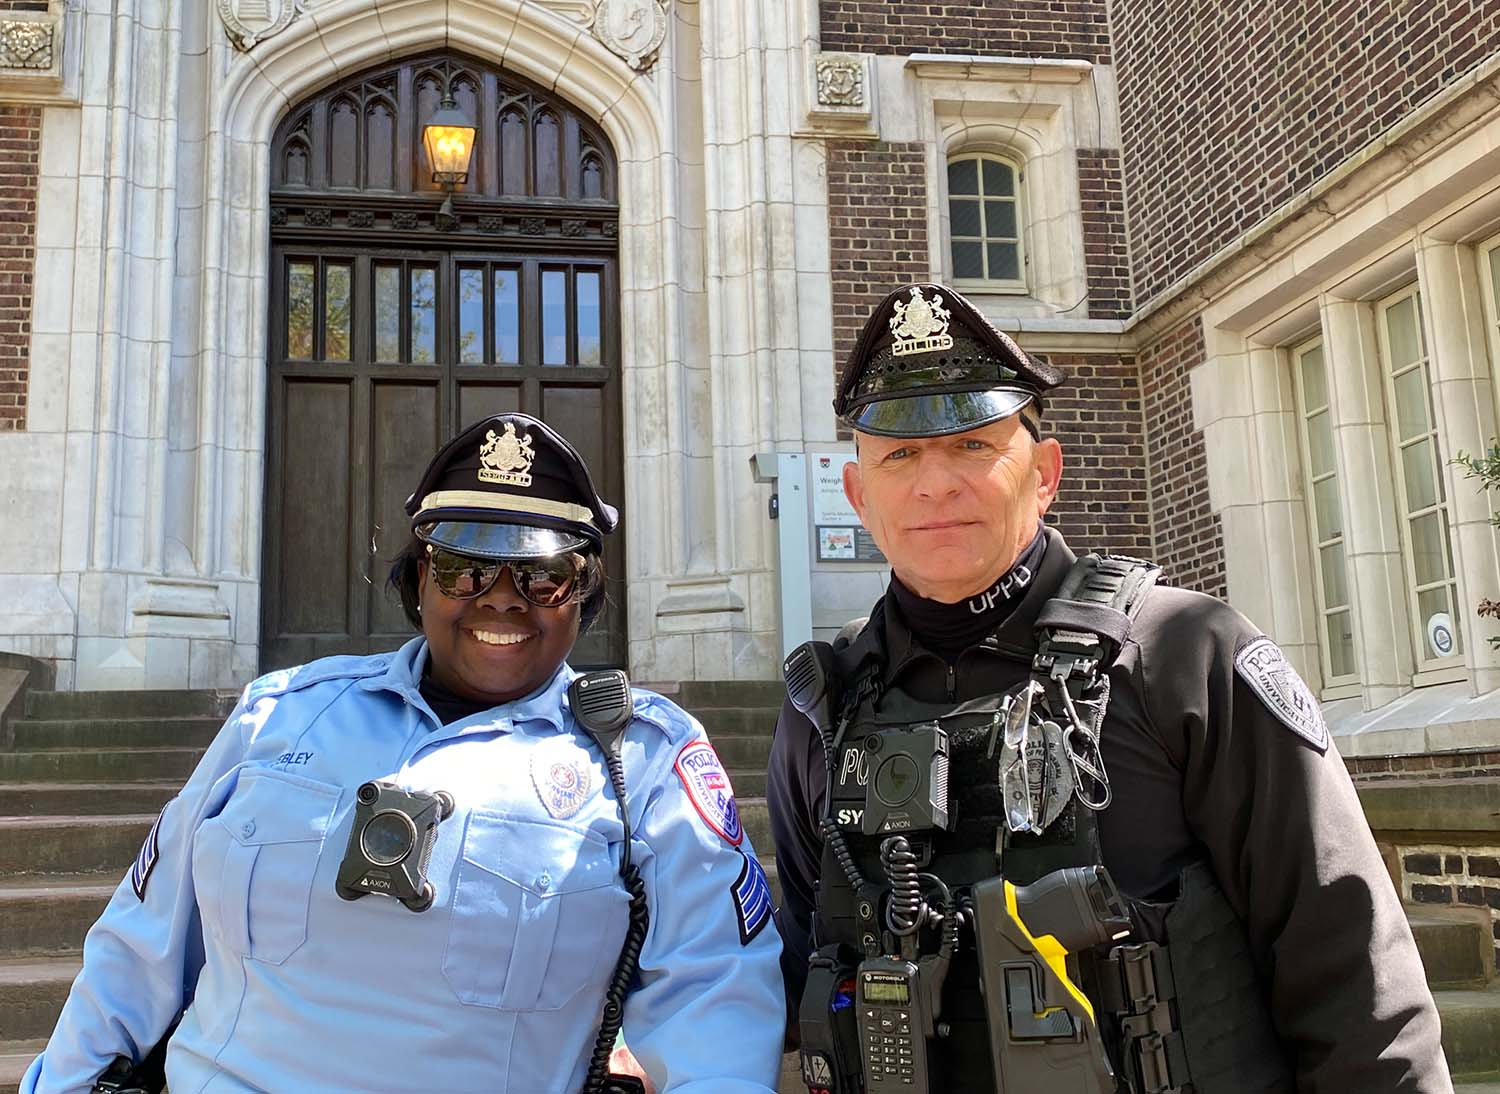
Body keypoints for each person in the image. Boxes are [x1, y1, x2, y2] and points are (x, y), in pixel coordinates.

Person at [766, 284, 1451, 1092]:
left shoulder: (1185, 655)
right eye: (900, 455)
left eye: (974, 446)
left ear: (1045, 472)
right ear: (858, 495)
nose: (935, 484)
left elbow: (1352, 972)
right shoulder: (825, 705)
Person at [24, 412, 785, 1094]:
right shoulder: (276, 716)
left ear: (584, 594)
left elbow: (716, 1001)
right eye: (464, 567)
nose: (501, 597)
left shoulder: (643, 760)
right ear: (417, 580)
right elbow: (134, 951)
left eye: (544, 576)